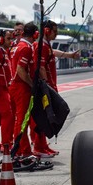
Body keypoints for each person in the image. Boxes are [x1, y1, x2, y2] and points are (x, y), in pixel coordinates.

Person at [34, 20, 80, 156]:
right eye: (55, 31)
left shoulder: (46, 46)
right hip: (46, 87)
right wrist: (47, 87)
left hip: (50, 86)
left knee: (49, 117)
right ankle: (38, 146)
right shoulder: (41, 46)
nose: (56, 34)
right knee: (45, 116)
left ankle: (43, 145)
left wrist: (69, 55)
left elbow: (53, 52)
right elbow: (41, 67)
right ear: (47, 31)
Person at [9, 22, 38, 158]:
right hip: (21, 87)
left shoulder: (17, 46)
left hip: (14, 86)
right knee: (22, 120)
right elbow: (21, 70)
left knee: (19, 120)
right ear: (35, 34)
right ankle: (23, 151)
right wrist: (32, 84)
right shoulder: (26, 47)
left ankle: (20, 149)